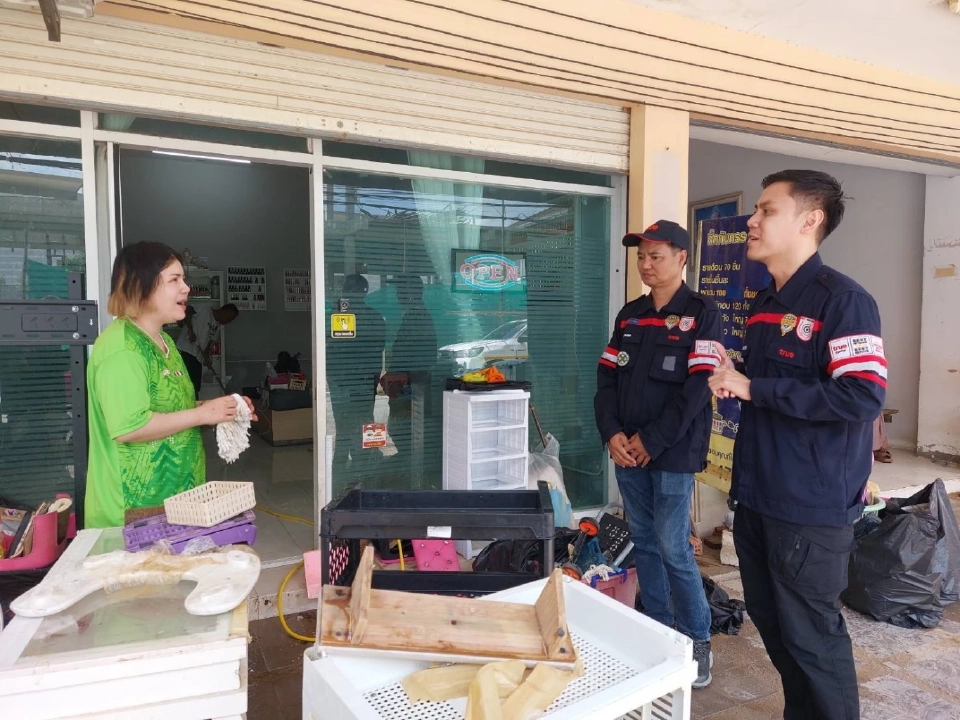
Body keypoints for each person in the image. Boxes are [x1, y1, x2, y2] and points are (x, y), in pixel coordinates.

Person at [708, 170, 885, 720]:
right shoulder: (764, 303)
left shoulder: (845, 301)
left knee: (814, 639)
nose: (751, 222)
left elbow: (862, 396)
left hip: (809, 506)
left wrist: (755, 386)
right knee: (776, 629)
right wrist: (733, 381)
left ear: (810, 220)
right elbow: (770, 397)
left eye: (766, 210)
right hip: (759, 495)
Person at [594, 220, 722, 689]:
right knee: (644, 542)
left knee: (673, 547)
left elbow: (696, 389)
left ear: (682, 258)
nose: (646, 265)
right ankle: (659, 628)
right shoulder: (629, 315)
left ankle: (697, 638)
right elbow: (606, 380)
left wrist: (651, 440)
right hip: (627, 451)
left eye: (656, 257)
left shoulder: (702, 314)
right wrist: (612, 434)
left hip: (671, 452)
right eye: (641, 257)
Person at [86, 242, 256, 529]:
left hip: (176, 501)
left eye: (184, 279)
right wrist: (203, 414)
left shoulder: (164, 343)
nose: (186, 288)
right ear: (141, 286)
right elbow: (130, 427)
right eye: (174, 280)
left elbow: (174, 411)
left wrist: (222, 409)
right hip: (134, 509)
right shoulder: (123, 350)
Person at [327, 274, 386, 480]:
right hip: (360, 379)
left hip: (344, 379)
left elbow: (329, 347)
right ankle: (362, 464)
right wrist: (374, 377)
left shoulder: (335, 315)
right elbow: (379, 350)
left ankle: (344, 464)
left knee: (344, 423)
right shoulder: (374, 316)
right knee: (364, 421)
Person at [382, 274, 439, 479]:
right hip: (405, 384)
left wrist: (401, 378)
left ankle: (413, 471)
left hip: (410, 385)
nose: (398, 295)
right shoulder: (412, 315)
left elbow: (422, 356)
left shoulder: (418, 317)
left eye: (401, 290)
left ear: (413, 293)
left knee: (402, 428)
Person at [177, 302, 239, 399]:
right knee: (189, 386)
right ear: (224, 311)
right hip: (186, 351)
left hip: (197, 357)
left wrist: (206, 357)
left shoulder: (217, 327)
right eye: (229, 318)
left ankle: (194, 407)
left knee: (196, 387)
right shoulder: (205, 309)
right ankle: (192, 409)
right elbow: (188, 309)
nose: (228, 321)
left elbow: (208, 344)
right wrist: (190, 329)